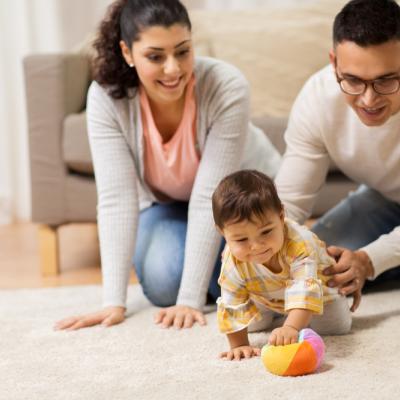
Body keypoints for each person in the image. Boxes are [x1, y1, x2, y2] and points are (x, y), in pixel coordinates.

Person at [54, 0, 281, 331]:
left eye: (183, 51)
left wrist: (189, 300)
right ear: (128, 53)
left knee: (259, 263)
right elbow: (117, 198)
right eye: (155, 56)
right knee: (164, 280)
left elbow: (208, 196)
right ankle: (234, 285)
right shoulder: (106, 97)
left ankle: (238, 283)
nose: (173, 69)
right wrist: (112, 303)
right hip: (166, 206)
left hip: (242, 210)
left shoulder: (226, 85)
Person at [275, 0, 400, 313]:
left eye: (386, 80)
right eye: (353, 80)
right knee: (321, 266)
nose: (369, 99)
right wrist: (266, 252)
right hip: (385, 201)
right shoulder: (318, 98)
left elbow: (365, 261)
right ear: (334, 63)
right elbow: (290, 203)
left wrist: (370, 260)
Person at [212, 170, 351, 361]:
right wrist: (240, 345)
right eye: (241, 239)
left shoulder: (299, 243)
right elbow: (232, 302)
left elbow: (304, 291)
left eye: (266, 232)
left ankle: (292, 317)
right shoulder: (232, 258)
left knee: (336, 326)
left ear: (281, 216)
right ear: (222, 232)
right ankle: (283, 313)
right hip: (266, 296)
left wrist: (291, 327)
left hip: (319, 292)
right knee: (251, 325)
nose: (256, 246)